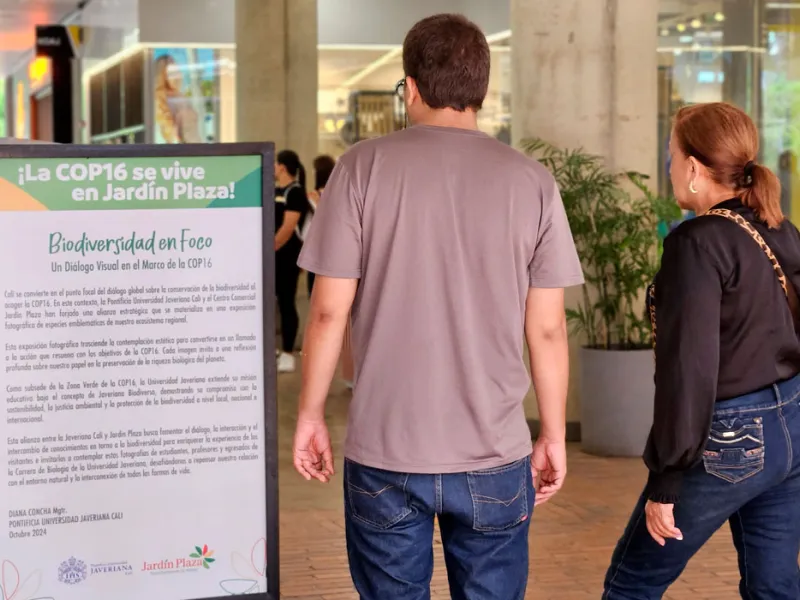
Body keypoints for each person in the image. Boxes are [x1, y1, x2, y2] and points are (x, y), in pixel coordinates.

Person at [292, 13, 583, 599]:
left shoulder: (359, 169)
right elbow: (547, 331)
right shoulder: (532, 182)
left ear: (412, 88)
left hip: (385, 452)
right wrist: (551, 431)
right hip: (495, 452)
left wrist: (310, 414)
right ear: (481, 89)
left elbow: (327, 313)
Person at [603, 102, 800, 599]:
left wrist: (665, 482)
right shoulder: (780, 228)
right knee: (774, 586)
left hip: (730, 436)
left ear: (693, 167)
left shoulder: (696, 243)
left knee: (633, 581)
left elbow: (687, 372)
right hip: (792, 426)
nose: (668, 167)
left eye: (671, 156)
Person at [274, 149, 310, 374]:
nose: (274, 168)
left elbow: (288, 228)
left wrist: (271, 248)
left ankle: (288, 351)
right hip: (276, 256)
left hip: (287, 256)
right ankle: (279, 348)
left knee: (287, 301)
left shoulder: (295, 192)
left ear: (283, 167)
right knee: (278, 301)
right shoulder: (279, 190)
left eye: (276, 164)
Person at [305, 154, 336, 297]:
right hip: (332, 251)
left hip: (318, 251)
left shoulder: (313, 197)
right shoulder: (339, 194)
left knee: (316, 294)